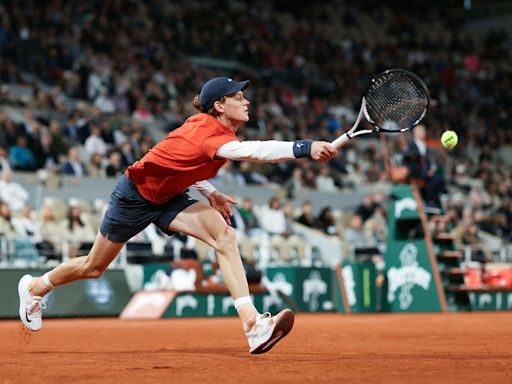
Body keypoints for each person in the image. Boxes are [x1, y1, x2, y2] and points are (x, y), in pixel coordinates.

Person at [17, 76, 336, 354]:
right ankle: (35, 288)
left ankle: (252, 325)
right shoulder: (209, 134)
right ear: (220, 106)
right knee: (93, 267)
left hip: (169, 197)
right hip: (134, 195)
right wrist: (305, 147)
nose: (246, 101)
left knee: (224, 236)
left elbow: (185, 166)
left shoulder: (210, 131)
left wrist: (210, 193)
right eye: (238, 97)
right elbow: (255, 152)